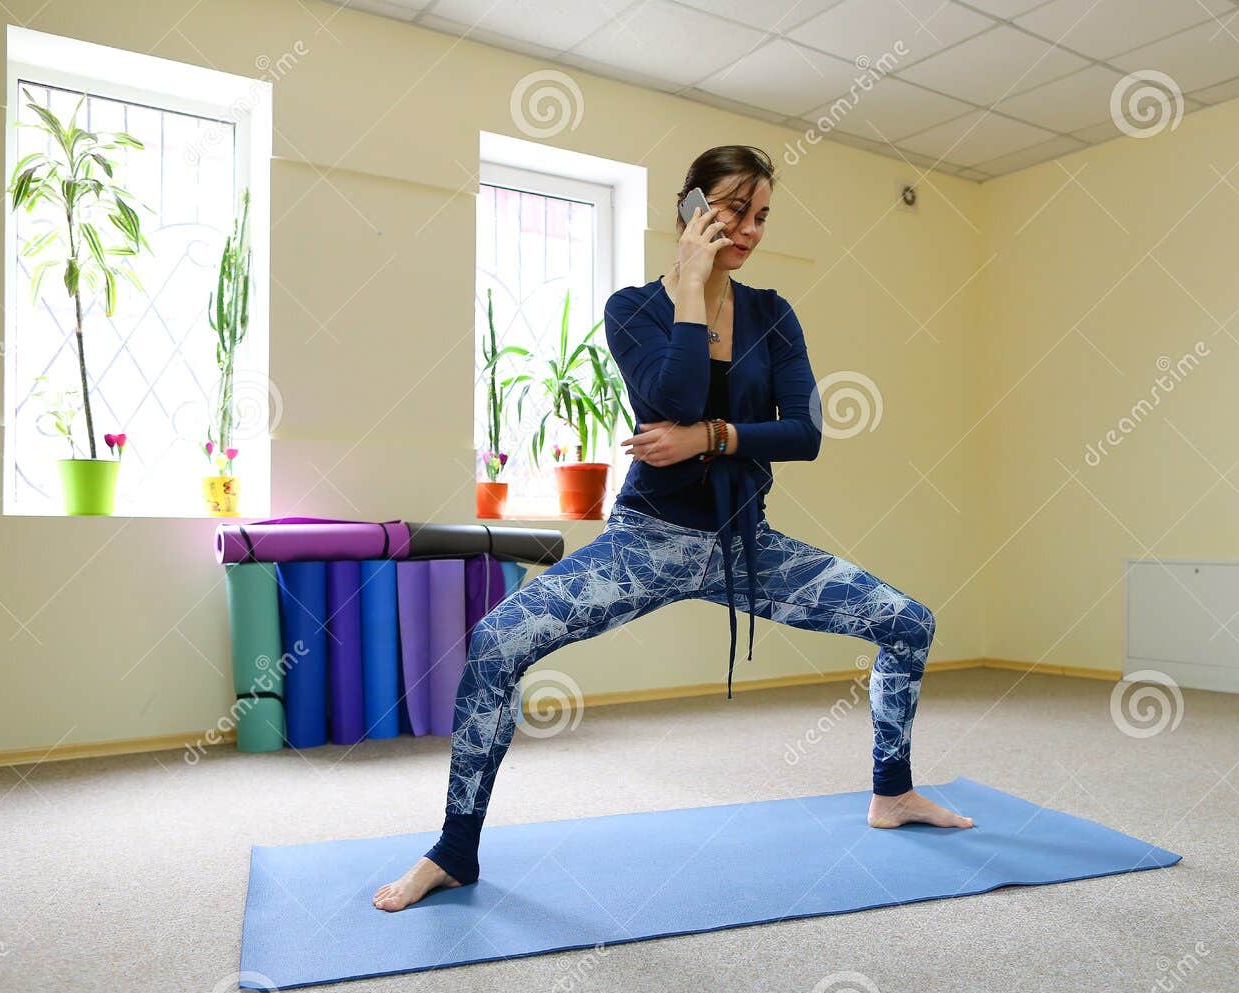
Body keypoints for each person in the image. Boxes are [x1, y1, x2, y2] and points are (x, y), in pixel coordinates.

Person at [373, 145, 971, 912]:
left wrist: (711, 438)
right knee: (496, 643)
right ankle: (455, 851)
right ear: (689, 208)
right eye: (731, 210)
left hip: (745, 544)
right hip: (646, 541)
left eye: (760, 216)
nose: (748, 230)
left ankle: (893, 792)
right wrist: (692, 282)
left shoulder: (772, 312)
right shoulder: (634, 308)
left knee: (907, 623)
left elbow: (806, 432)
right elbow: (672, 394)